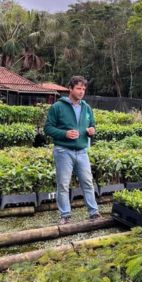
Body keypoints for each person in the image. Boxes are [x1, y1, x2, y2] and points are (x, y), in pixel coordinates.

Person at [44, 76, 101, 225]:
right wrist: (64, 134)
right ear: (70, 88)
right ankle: (65, 215)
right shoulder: (57, 107)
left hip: (82, 151)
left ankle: (94, 213)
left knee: (88, 182)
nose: (81, 91)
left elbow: (92, 124)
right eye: (78, 88)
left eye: (83, 89)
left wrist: (92, 130)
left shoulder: (86, 107)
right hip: (63, 151)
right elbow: (47, 128)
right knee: (63, 184)